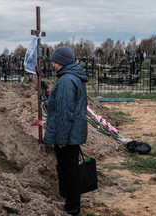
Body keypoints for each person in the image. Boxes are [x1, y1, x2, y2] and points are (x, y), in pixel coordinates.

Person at [43, 46, 88, 215]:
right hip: (72, 133)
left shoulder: (66, 81)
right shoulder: (74, 77)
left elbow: (65, 112)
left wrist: (61, 138)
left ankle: (72, 206)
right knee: (71, 169)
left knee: (68, 170)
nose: (53, 64)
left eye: (55, 61)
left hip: (67, 136)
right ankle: (72, 203)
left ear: (62, 62)